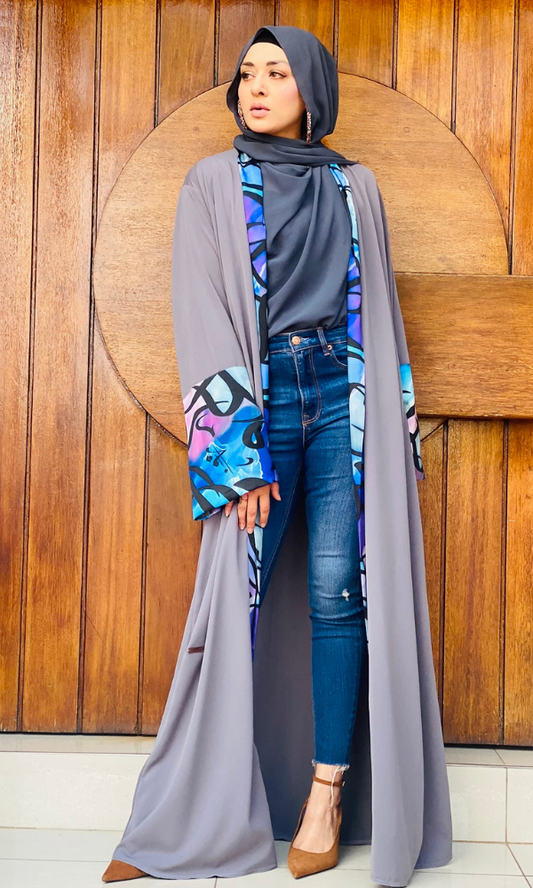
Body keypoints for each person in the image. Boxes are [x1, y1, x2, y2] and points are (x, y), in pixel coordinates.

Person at [102, 25, 452, 887]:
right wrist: (234, 457)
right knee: (238, 596)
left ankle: (325, 798)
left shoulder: (355, 185)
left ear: (311, 92)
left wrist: (392, 431)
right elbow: (200, 308)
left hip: (345, 399)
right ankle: (196, 810)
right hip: (263, 401)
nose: (256, 86)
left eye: (278, 72)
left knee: (339, 593)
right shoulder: (211, 182)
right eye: (248, 73)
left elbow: (382, 317)